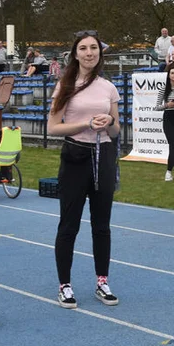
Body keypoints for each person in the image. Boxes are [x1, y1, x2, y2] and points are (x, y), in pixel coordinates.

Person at [47, 30, 121, 310]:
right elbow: (53, 128)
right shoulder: (65, 86)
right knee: (69, 225)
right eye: (83, 48)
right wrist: (86, 124)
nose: (89, 53)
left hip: (104, 156)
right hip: (75, 157)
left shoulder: (108, 88)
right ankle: (64, 285)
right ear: (75, 53)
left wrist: (108, 121)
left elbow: (115, 130)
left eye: (94, 48)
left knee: (102, 226)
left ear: (100, 53)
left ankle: (102, 281)